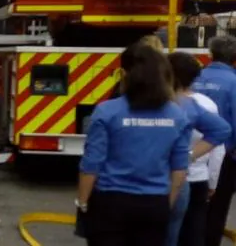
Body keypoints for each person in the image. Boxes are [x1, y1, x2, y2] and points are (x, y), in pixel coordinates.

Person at [78, 43, 192, 246]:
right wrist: (167, 203)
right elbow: (179, 169)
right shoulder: (177, 115)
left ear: (123, 74)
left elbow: (92, 163)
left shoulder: (107, 111)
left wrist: (83, 201)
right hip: (154, 203)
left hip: (110, 203)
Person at [164, 52, 231, 246]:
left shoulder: (165, 104)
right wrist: (213, 181)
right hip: (199, 176)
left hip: (169, 177)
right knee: (193, 234)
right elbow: (218, 147)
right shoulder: (206, 104)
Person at [190, 35, 236, 246]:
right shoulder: (234, 82)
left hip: (190, 153)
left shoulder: (194, 77)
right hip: (223, 154)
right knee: (217, 208)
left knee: (190, 211)